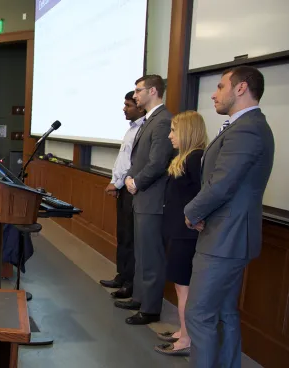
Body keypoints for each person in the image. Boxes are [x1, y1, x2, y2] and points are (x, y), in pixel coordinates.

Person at [184, 66, 274, 368]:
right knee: (223, 314)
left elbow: (222, 183)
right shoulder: (243, 126)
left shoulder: (248, 128)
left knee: (199, 315)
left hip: (225, 238)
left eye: (220, 86)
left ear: (240, 88)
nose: (213, 93)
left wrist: (191, 211)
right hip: (227, 235)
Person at [115, 74, 174, 325]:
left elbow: (158, 162)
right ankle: (139, 297)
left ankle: (150, 308)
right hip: (140, 196)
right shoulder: (148, 121)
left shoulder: (162, 121)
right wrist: (129, 177)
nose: (135, 95)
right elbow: (136, 159)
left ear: (152, 91)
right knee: (140, 253)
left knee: (150, 256)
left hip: (152, 198)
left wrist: (136, 182)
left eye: (138, 90)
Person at [153, 111, 207, 357]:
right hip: (177, 231)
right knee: (179, 286)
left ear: (186, 132)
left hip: (186, 234)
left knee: (184, 287)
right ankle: (182, 330)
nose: (170, 135)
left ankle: (186, 338)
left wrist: (197, 218)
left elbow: (204, 194)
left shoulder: (195, 159)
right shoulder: (184, 158)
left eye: (174, 130)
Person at [100, 91, 146, 299]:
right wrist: (114, 181)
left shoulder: (144, 130)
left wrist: (120, 183)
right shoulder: (130, 130)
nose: (124, 108)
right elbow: (122, 161)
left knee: (131, 236)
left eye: (128, 104)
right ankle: (122, 274)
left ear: (140, 107)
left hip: (133, 188)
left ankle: (130, 282)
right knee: (123, 235)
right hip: (122, 187)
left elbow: (134, 164)